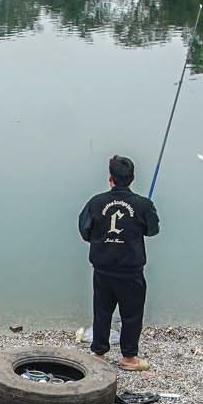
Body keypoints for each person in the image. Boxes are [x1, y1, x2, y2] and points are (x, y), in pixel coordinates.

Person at [77, 155, 160, 371]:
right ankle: (129, 358)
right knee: (132, 314)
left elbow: (85, 230)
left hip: (103, 269)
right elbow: (152, 230)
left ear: (110, 178)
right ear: (132, 178)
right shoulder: (143, 204)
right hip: (130, 271)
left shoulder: (96, 202)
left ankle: (99, 353)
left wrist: (100, 239)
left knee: (102, 310)